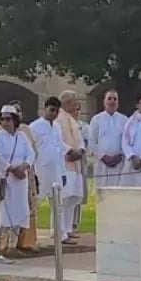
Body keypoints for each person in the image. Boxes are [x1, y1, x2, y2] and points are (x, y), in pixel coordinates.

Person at [0, 105, 36, 251]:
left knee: (20, 209)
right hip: (5, 178)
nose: (5, 122)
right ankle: (1, 245)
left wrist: (23, 167)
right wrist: (11, 169)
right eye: (3, 119)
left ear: (14, 120)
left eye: (8, 119)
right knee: (4, 211)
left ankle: (14, 244)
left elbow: (31, 153)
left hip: (20, 179)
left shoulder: (21, 136)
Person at [47, 91, 87, 244]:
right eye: (74, 101)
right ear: (67, 102)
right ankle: (59, 231)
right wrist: (70, 151)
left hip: (76, 164)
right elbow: (56, 140)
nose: (76, 104)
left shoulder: (72, 119)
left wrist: (81, 150)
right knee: (62, 199)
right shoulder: (57, 118)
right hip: (65, 163)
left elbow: (79, 139)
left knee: (72, 198)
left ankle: (68, 229)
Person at [30, 97, 66, 234]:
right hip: (40, 170)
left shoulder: (57, 127)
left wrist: (63, 173)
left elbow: (60, 150)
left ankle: (59, 234)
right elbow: (31, 150)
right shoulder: (34, 127)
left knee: (58, 204)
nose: (54, 114)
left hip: (56, 170)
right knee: (35, 202)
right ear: (45, 109)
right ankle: (29, 235)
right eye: (51, 110)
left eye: (56, 111)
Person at [88, 90, 129, 191]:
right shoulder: (96, 119)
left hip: (119, 162)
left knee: (118, 191)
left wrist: (119, 156)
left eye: (115, 99)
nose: (112, 101)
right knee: (101, 191)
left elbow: (127, 141)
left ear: (118, 102)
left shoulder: (124, 120)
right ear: (104, 102)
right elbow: (92, 141)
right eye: (109, 98)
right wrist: (103, 157)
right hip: (101, 162)